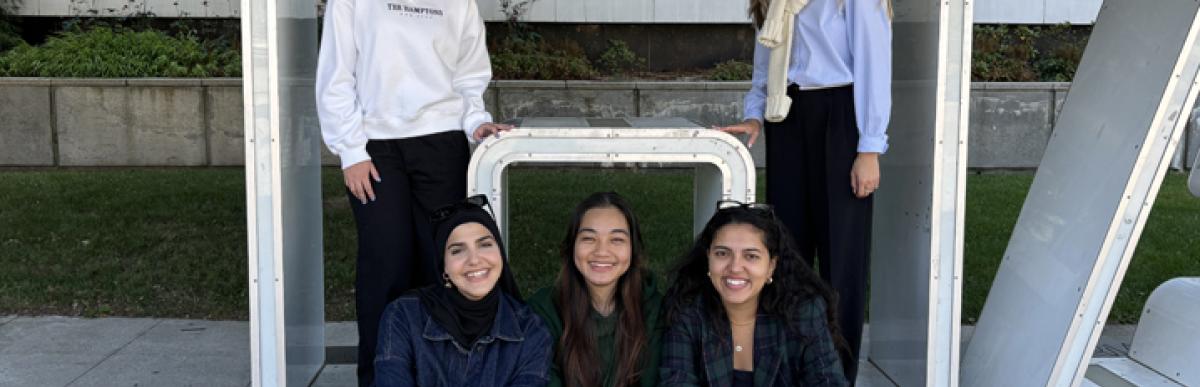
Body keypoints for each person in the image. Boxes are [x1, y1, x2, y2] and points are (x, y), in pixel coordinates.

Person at [314, 0, 512, 384]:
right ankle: (380, 377)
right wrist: (350, 150)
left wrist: (476, 123)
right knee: (385, 267)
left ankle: (441, 374)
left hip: (442, 145)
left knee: (442, 266)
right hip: (376, 149)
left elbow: (469, 73)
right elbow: (336, 73)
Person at [716, 0, 893, 380]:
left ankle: (837, 373)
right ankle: (789, 366)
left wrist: (869, 148)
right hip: (787, 117)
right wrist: (753, 114)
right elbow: (765, 64)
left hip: (841, 115)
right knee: (786, 251)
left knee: (841, 258)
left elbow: (873, 65)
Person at [659, 201, 850, 386]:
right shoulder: (687, 310)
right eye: (722, 253)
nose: (735, 267)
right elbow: (676, 380)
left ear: (771, 266)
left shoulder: (803, 312)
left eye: (751, 256)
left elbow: (828, 381)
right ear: (708, 257)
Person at [374, 195, 551, 386]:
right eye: (457, 250)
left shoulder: (531, 331)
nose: (474, 260)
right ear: (444, 269)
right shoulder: (403, 316)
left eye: (485, 244)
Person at [527, 192, 665, 387]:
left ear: (633, 249)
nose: (601, 251)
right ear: (571, 246)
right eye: (589, 238)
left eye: (616, 239)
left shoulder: (654, 310)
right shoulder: (542, 310)